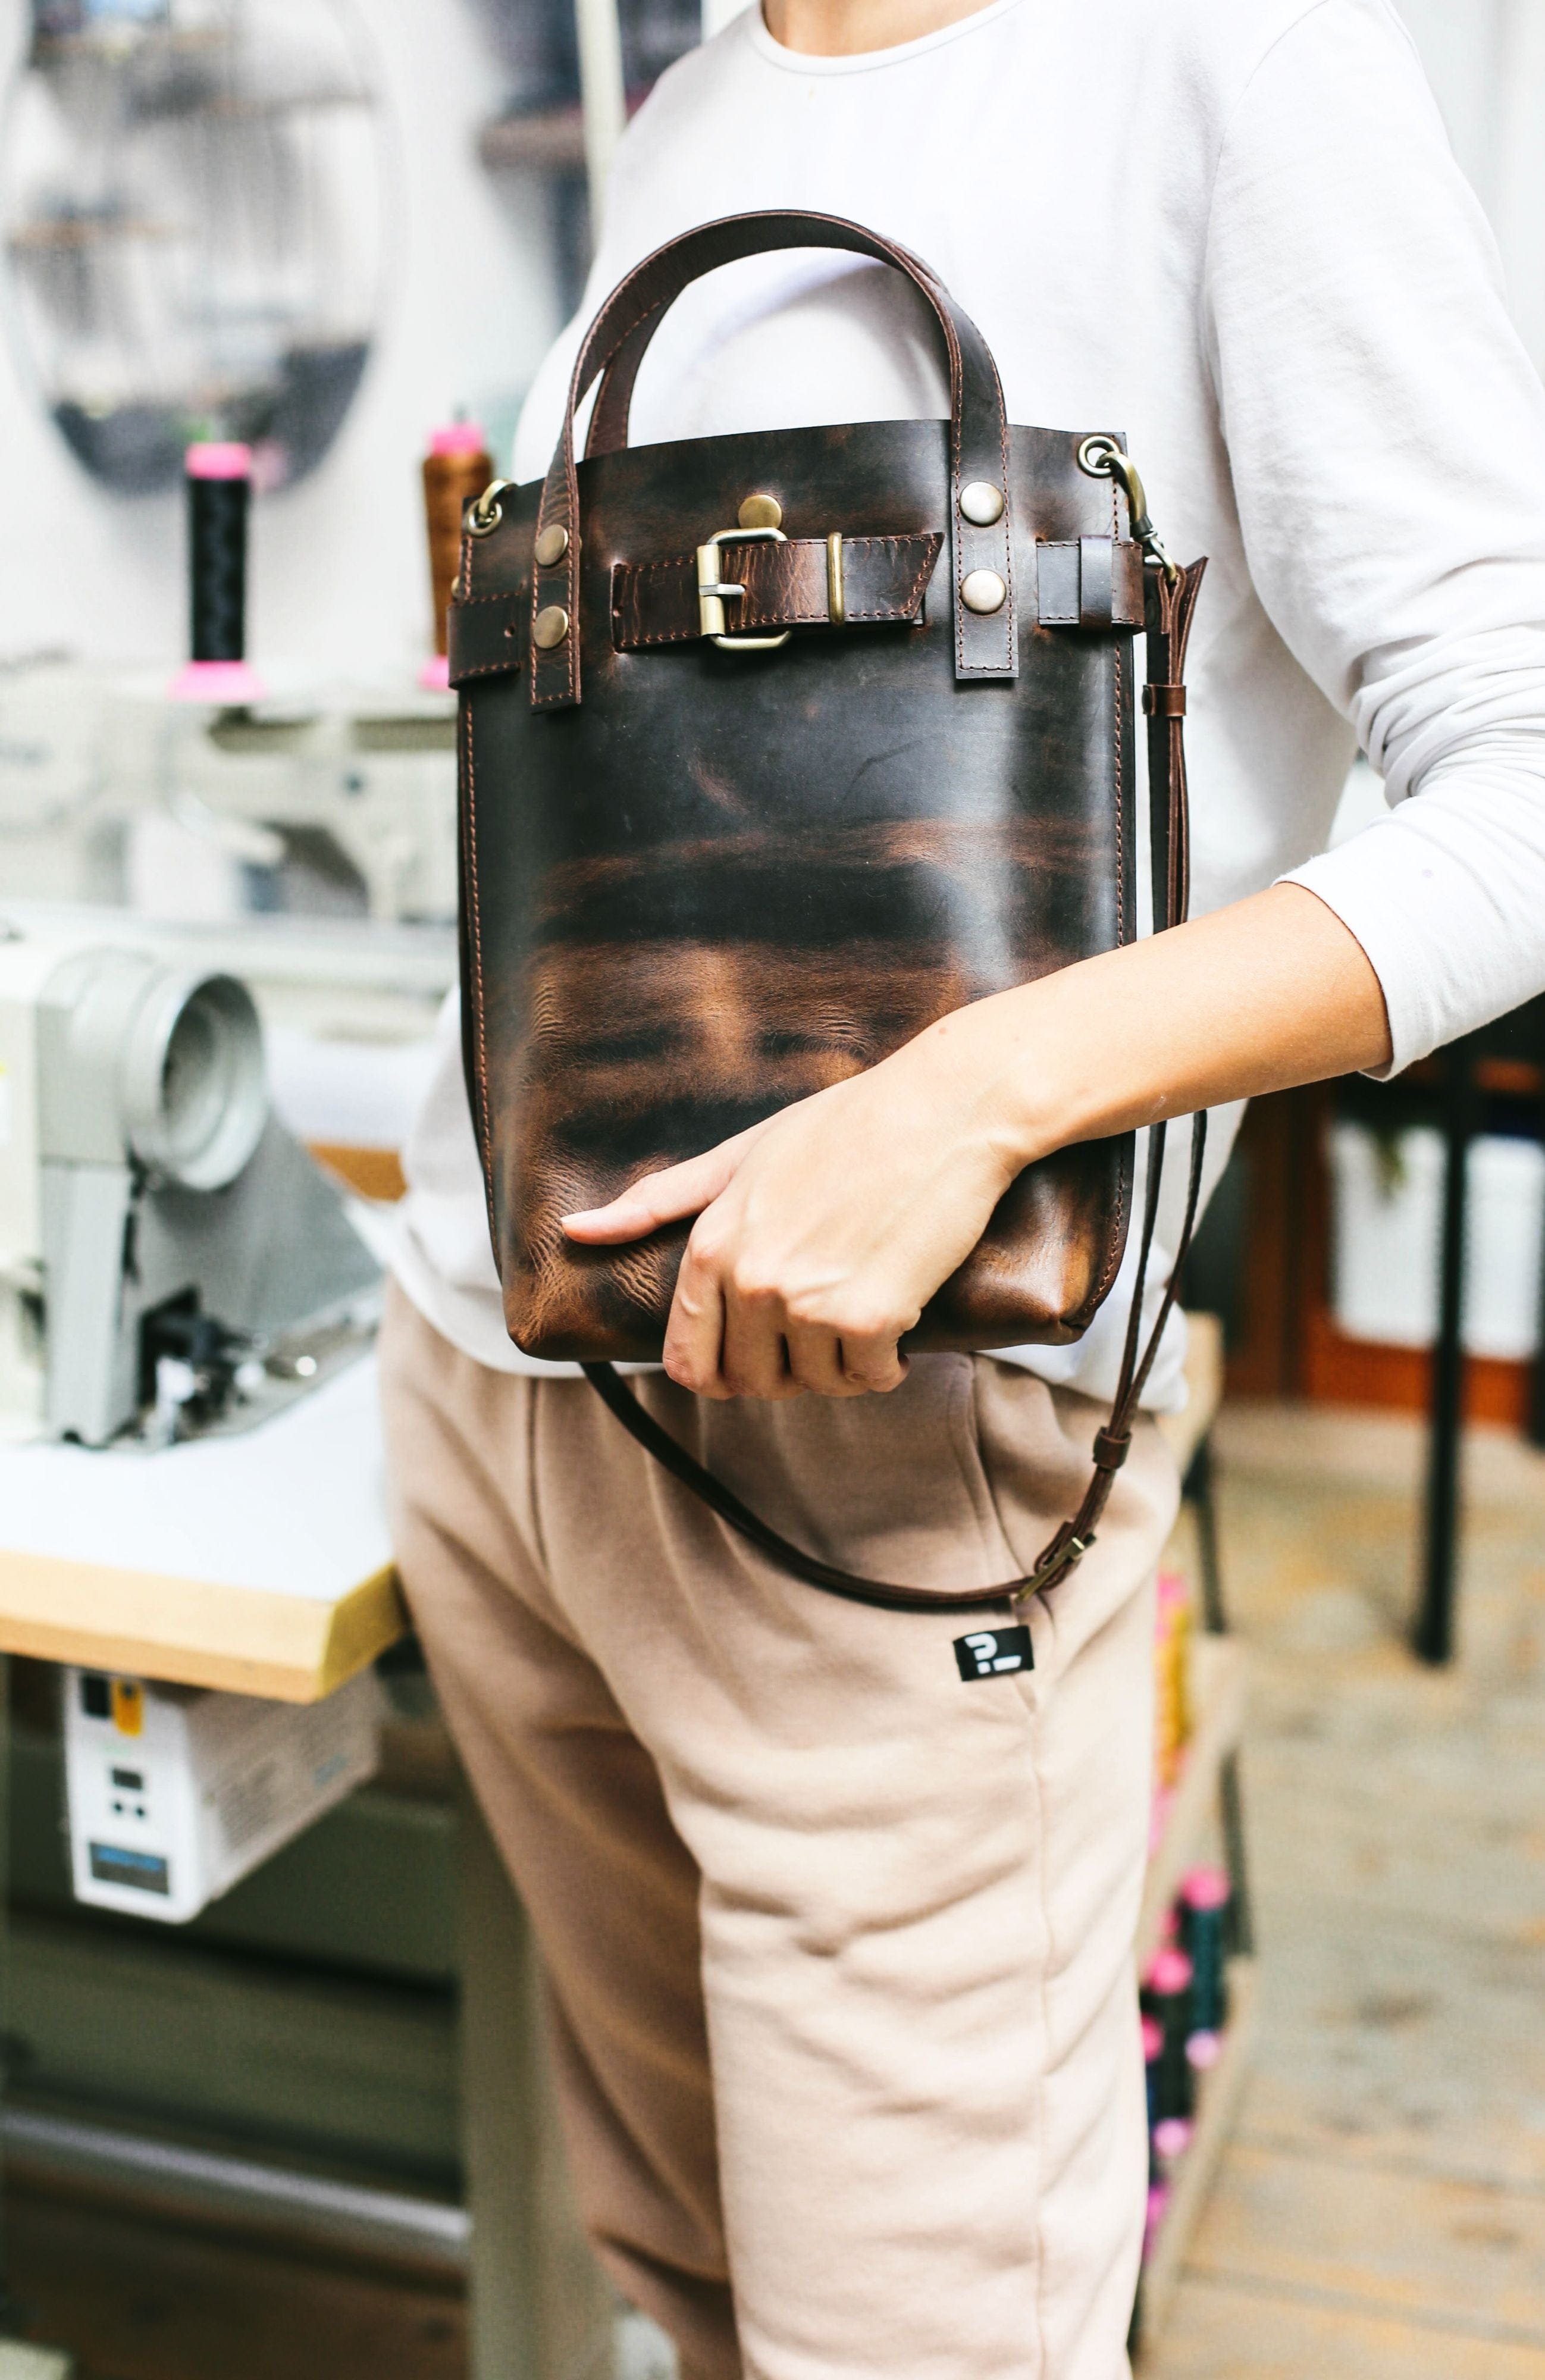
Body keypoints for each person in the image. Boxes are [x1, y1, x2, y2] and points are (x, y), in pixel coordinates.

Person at [381, 2, 1545, 2372]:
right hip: (499, 1399)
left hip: (894, 1473)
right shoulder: (691, 103)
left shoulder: (1232, 54)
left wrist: (963, 1105)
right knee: (693, 2284)